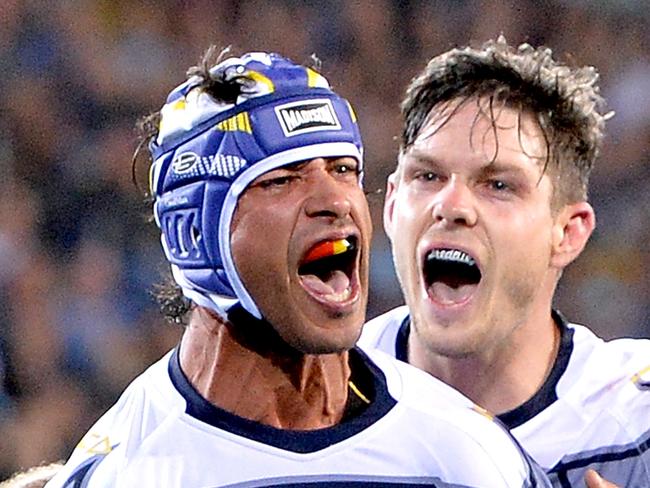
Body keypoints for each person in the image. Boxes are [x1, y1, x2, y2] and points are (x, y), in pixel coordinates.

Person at [44, 49, 551, 487]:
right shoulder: (124, 472)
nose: (336, 200)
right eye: (282, 180)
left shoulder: (469, 454)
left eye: (344, 170)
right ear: (194, 234)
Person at [358, 37, 650, 487]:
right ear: (392, 206)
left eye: (497, 185)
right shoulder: (307, 397)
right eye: (428, 176)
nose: (451, 204)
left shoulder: (637, 421)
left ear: (568, 233)